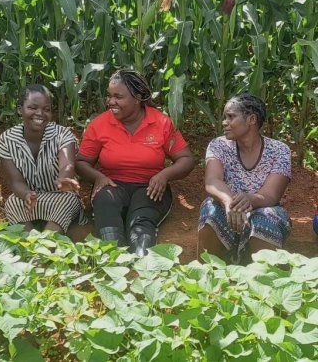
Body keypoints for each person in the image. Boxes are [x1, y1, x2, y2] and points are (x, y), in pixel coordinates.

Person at [76, 69, 195, 255]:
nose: (111, 102)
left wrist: (164, 175)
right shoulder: (99, 124)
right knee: (107, 209)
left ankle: (142, 264)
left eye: (118, 97)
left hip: (150, 187)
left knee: (141, 220)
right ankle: (113, 261)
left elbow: (186, 159)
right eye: (109, 96)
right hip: (112, 185)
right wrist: (97, 177)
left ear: (137, 98)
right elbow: (82, 162)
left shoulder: (161, 123)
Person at [198, 94, 291, 263]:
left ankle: (264, 275)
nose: (224, 122)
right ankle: (208, 272)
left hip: (262, 207)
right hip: (227, 207)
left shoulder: (279, 150)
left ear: (252, 119)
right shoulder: (218, 145)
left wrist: (248, 200)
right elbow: (213, 181)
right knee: (210, 209)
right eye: (225, 117)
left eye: (231, 117)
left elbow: (271, 195)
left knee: (267, 218)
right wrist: (228, 203)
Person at [0, 84, 86, 234]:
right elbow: (15, 181)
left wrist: (63, 180)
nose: (40, 113)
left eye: (46, 109)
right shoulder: (7, 139)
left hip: (59, 197)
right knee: (12, 202)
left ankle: (44, 245)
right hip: (31, 199)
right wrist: (26, 194)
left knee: (68, 200)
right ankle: (29, 240)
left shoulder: (62, 134)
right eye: (33, 107)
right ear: (20, 109)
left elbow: (67, 166)